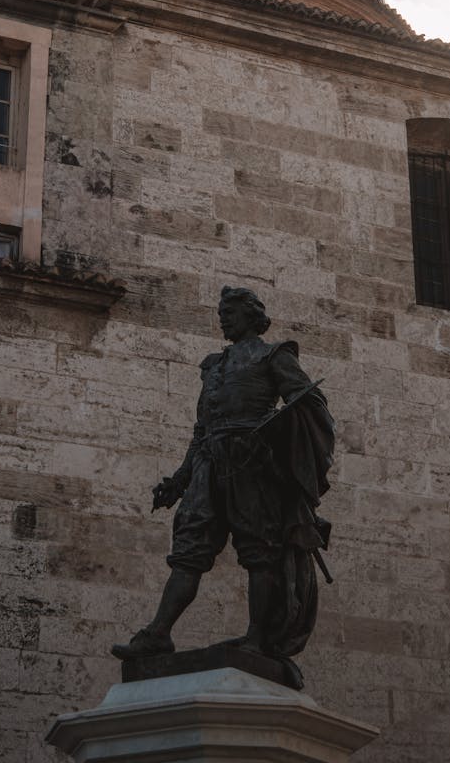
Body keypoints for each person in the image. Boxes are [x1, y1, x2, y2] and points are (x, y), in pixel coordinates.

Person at [112, 286, 335, 678]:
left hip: (253, 466)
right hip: (210, 465)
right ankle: (158, 633)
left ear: (252, 316)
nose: (223, 318)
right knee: (189, 550)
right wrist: (179, 480)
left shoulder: (274, 354)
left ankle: (256, 637)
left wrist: (273, 440)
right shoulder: (213, 366)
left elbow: (309, 405)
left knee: (259, 551)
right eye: (221, 311)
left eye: (230, 311)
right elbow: (201, 430)